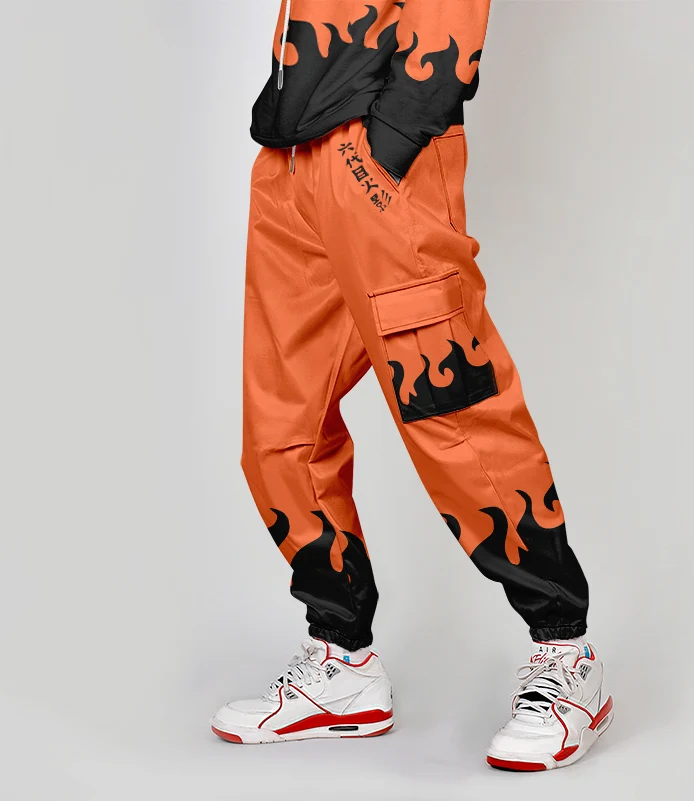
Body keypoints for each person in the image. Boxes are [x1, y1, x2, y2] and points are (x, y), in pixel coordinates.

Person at [211, 0, 612, 771]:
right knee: (280, 428)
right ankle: (341, 663)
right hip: (290, 161)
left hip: (375, 160)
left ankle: (567, 655)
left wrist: (386, 147)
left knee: (452, 410)